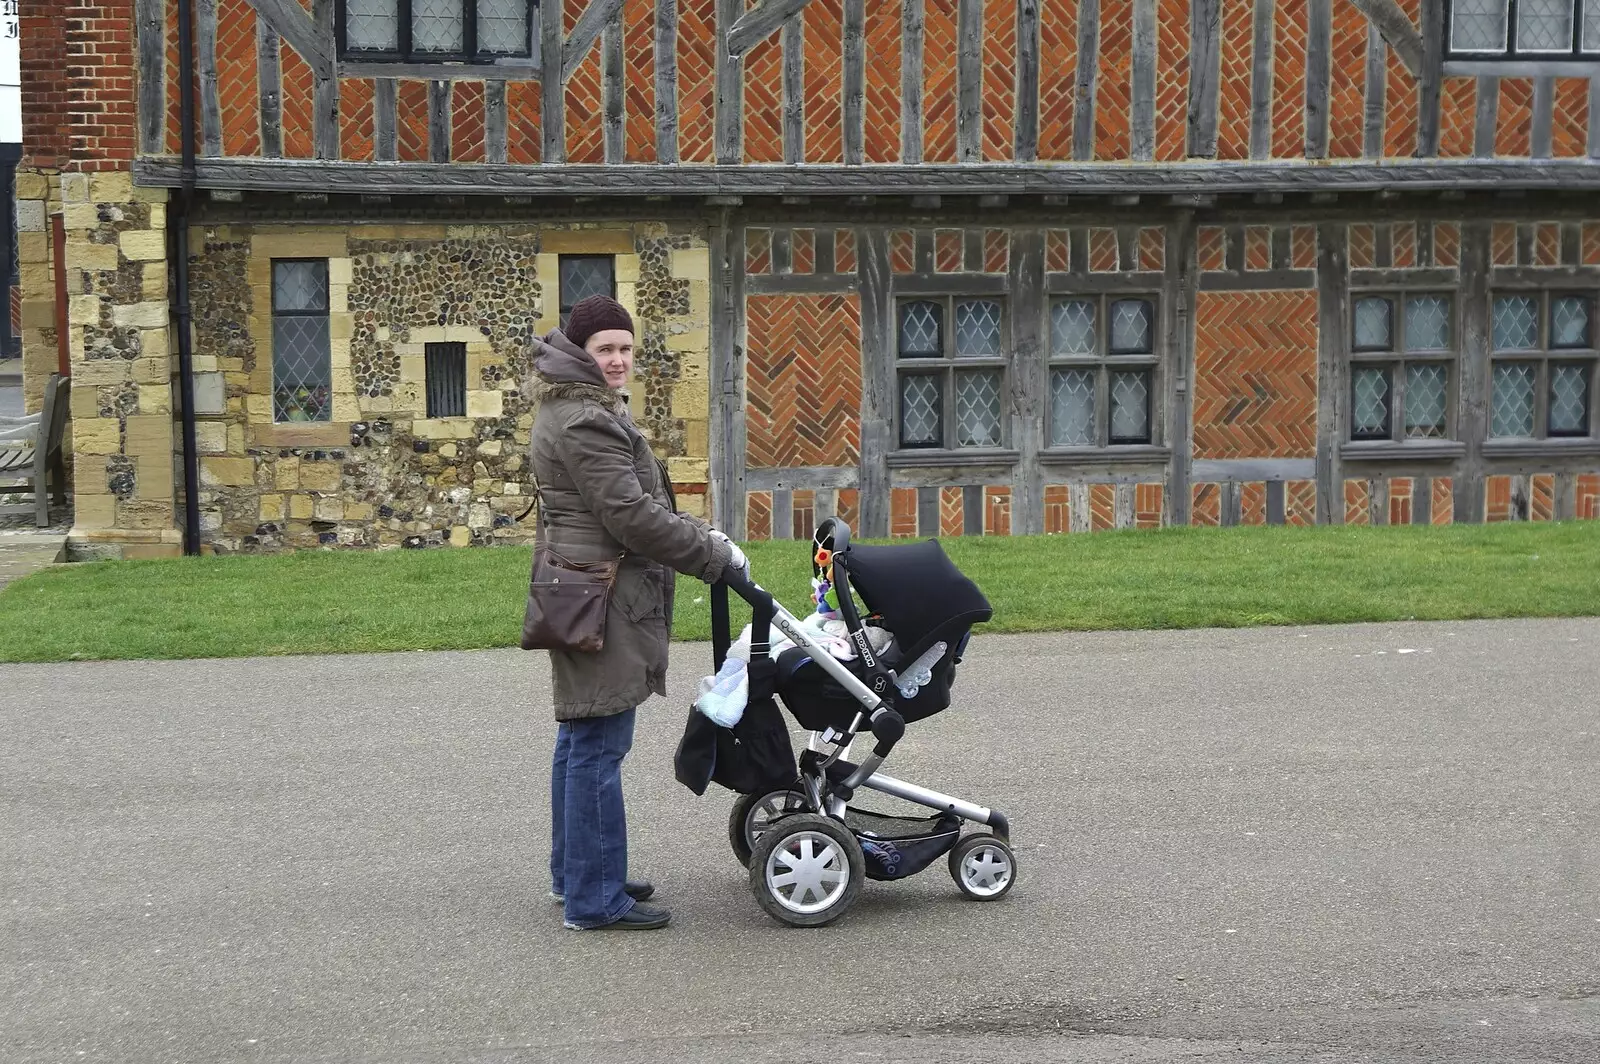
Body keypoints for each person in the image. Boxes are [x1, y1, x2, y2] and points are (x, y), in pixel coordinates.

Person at [528, 294, 746, 931]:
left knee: (581, 739)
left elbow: (630, 507)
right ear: (581, 353)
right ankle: (594, 900)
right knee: (598, 741)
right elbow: (628, 515)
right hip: (602, 595)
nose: (618, 359)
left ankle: (579, 876)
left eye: (625, 348)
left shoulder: (573, 407)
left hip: (583, 588)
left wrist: (698, 536)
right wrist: (711, 554)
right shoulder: (584, 419)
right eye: (606, 349)